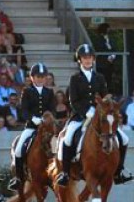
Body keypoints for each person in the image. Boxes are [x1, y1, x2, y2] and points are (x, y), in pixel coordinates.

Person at [56, 44, 133, 187]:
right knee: (67, 138)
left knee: (124, 138)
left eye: (89, 57)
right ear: (80, 60)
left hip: (100, 117)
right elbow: (73, 100)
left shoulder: (100, 77)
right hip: (80, 116)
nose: (87, 60)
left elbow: (105, 96)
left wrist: (108, 106)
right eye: (84, 58)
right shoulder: (75, 78)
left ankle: (119, 171)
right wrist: (86, 111)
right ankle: (65, 173)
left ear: (93, 59)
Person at [8, 63, 55, 191]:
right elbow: (24, 110)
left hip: (46, 128)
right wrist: (33, 118)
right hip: (31, 127)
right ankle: (18, 178)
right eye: (37, 76)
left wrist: (47, 119)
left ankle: (60, 173)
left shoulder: (49, 92)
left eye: (42, 77)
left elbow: (52, 110)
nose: (40, 79)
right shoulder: (27, 91)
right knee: (18, 150)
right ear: (32, 77)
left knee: (57, 146)